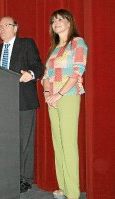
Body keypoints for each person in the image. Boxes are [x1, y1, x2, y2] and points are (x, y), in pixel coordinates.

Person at [0, 16, 44, 193]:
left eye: (6, 25)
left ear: (15, 28)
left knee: (25, 142)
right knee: (9, 141)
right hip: (5, 103)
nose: (1, 29)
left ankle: (25, 178)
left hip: (24, 100)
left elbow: (39, 66)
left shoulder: (27, 44)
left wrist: (30, 74)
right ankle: (10, 174)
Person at [42, 9, 87, 199]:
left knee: (68, 144)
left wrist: (59, 93)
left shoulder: (77, 43)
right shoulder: (54, 48)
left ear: (70, 22)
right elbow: (46, 75)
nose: (56, 23)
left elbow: (77, 72)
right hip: (52, 98)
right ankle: (63, 187)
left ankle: (73, 193)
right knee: (58, 143)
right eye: (54, 21)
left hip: (67, 95)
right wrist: (47, 94)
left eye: (60, 19)